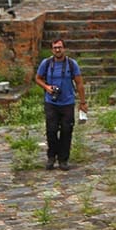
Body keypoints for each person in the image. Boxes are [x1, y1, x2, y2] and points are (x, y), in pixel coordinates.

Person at [35, 39, 87, 171]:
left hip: (67, 102)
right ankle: (51, 157)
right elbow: (38, 78)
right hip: (51, 102)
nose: (57, 50)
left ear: (64, 48)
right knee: (51, 131)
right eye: (55, 48)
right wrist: (47, 87)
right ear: (52, 50)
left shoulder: (71, 64)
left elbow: (79, 83)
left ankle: (63, 159)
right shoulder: (46, 63)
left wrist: (82, 102)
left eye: (59, 47)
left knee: (66, 131)